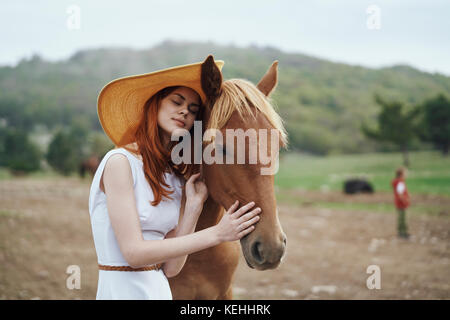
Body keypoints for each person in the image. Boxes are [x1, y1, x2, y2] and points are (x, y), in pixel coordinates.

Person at [88, 57, 261, 299]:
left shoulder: (172, 178)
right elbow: (133, 253)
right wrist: (218, 234)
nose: (184, 111)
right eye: (176, 102)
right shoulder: (119, 162)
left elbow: (171, 267)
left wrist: (192, 207)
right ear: (155, 105)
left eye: (192, 110)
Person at [391, 167, 410, 239]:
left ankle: (401, 231)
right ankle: (402, 232)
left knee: (401, 218)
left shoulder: (398, 182)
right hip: (401, 204)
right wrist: (405, 201)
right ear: (401, 174)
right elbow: (400, 194)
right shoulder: (400, 183)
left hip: (399, 203)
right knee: (402, 218)